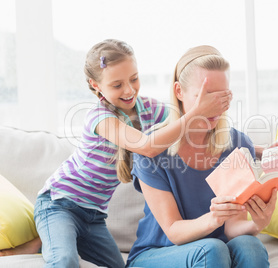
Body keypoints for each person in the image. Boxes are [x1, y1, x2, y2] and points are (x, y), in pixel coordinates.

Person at [29, 39, 232, 268]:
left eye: (134, 79)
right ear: (95, 85)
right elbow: (147, 146)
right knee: (64, 261)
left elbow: (187, 125)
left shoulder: (148, 109)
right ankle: (53, 232)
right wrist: (196, 112)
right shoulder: (100, 118)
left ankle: (45, 240)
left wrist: (254, 149)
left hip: (94, 216)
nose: (128, 90)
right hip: (59, 203)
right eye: (117, 85)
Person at [126, 45, 278, 268]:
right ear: (179, 92)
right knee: (211, 249)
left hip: (215, 251)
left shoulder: (237, 144)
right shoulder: (153, 149)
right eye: (205, 97)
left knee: (250, 246)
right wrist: (213, 219)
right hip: (159, 252)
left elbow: (233, 228)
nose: (214, 107)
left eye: (221, 97)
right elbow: (173, 231)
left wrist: (257, 223)